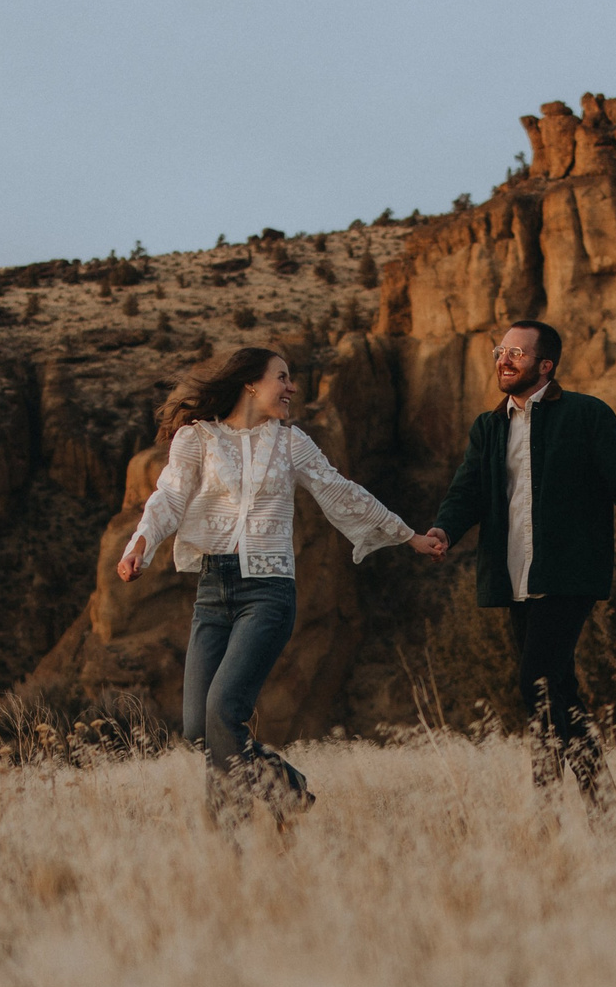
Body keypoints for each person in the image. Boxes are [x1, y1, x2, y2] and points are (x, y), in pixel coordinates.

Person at [118, 346, 445, 820]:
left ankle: (229, 837)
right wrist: (140, 545)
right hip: (213, 591)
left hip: (268, 592)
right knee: (197, 727)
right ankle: (290, 792)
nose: (292, 387)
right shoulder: (197, 438)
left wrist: (408, 535)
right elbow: (169, 494)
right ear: (251, 382)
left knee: (223, 710)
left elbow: (340, 490)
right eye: (283, 377)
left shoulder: (291, 443)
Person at [411, 320, 616, 799]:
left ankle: (571, 797)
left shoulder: (587, 415)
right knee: (553, 689)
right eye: (500, 350)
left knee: (536, 681)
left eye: (516, 353)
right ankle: (581, 801)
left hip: (570, 573)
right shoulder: (489, 427)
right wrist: (444, 529)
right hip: (513, 576)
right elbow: (467, 491)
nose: (503, 360)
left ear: (545, 365)